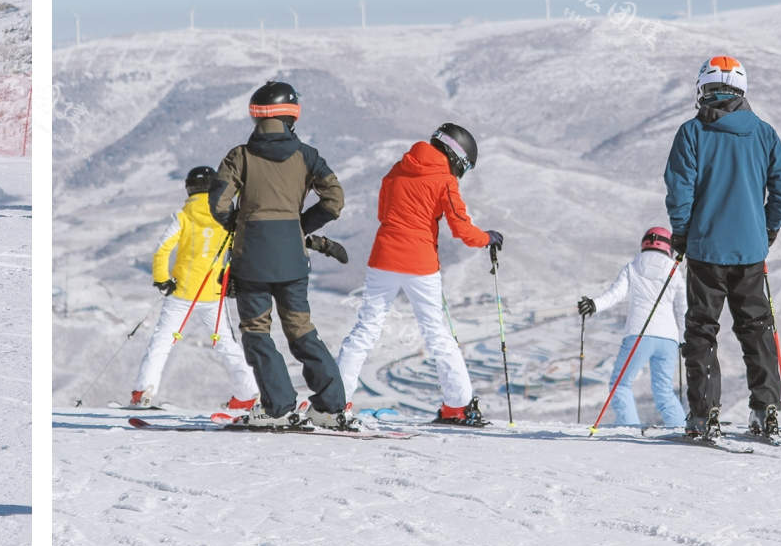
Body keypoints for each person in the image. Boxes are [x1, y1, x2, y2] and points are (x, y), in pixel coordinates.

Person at [664, 55, 781, 441]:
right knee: (757, 329)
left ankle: (704, 415)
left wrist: (682, 234)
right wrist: (766, 230)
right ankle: (766, 408)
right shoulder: (764, 133)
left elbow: (679, 191)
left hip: (706, 250)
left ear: (703, 89)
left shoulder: (691, 133)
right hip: (751, 252)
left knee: (702, 332)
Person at [334, 123, 502, 426]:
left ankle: (335, 401)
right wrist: (487, 238)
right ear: (455, 157)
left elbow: (383, 213)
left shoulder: (398, 169)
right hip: (421, 265)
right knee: (437, 335)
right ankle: (458, 406)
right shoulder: (445, 181)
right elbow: (462, 230)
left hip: (383, 258)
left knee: (365, 330)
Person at [207, 81, 349, 430]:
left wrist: (239, 225)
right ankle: (330, 407)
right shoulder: (307, 156)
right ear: (291, 116)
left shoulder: (239, 156)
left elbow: (218, 203)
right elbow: (335, 201)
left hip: (252, 258)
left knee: (257, 331)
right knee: (302, 330)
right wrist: (299, 226)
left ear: (256, 116)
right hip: (292, 259)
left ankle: (278, 408)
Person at [129, 166, 259, 412]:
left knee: (162, 341)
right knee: (225, 343)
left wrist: (162, 279)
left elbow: (162, 249)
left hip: (182, 292)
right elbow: (239, 251)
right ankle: (247, 393)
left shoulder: (183, 216)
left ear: (189, 188)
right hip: (213, 294)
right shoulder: (226, 217)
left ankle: (143, 392)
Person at [579, 227, 688, 429]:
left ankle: (630, 429)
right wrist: (683, 337)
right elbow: (683, 307)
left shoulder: (632, 267)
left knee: (620, 384)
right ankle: (681, 428)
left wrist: (594, 305)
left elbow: (615, 295)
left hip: (639, 335)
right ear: (668, 247)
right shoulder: (675, 269)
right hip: (669, 339)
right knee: (664, 390)